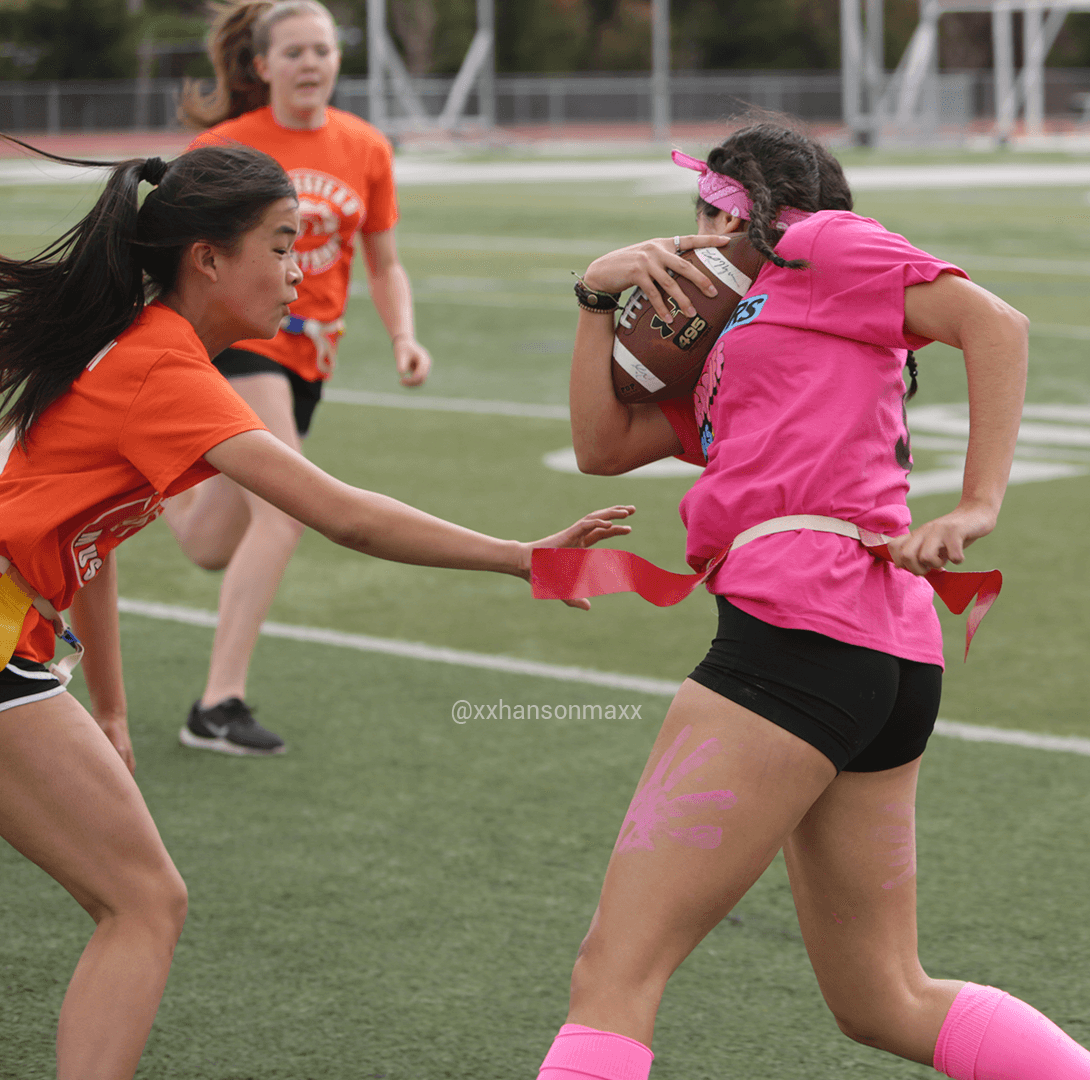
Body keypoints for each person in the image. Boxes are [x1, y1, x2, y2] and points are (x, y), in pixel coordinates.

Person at [0, 140, 630, 1080]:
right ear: (209, 258)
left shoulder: (140, 347)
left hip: (15, 642)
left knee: (139, 900)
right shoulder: (161, 367)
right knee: (144, 902)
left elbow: (83, 546)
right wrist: (521, 558)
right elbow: (344, 515)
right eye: (283, 244)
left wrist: (114, 708)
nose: (303, 270)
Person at [540, 122, 1090, 1080]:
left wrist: (977, 504)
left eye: (712, 214)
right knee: (884, 1000)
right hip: (877, 652)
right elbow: (601, 446)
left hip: (799, 638)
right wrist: (595, 298)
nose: (695, 238)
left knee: (614, 976)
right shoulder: (740, 330)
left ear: (754, 210)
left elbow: (997, 324)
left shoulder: (817, 244)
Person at [164, 0, 429, 756]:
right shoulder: (224, 147)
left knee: (212, 543)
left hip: (310, 358)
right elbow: (175, 250)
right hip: (239, 344)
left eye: (323, 49)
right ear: (262, 66)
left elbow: (384, 263)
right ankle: (217, 705)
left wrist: (404, 336)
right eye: (294, 52)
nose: (311, 63)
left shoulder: (365, 145)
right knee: (287, 511)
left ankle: (146, 466)